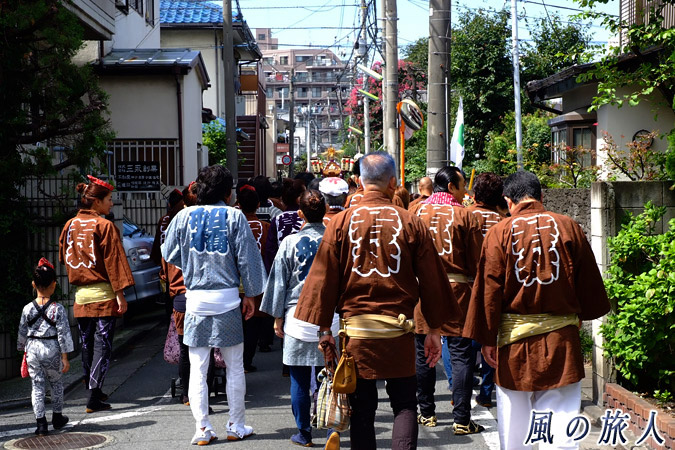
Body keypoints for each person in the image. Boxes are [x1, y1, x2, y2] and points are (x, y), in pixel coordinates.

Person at [295, 152, 461, 450]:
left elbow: (324, 279)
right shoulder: (411, 221)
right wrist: (434, 329)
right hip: (398, 332)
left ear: (358, 182)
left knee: (361, 409)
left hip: (355, 334)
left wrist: (323, 330)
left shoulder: (340, 222)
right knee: (405, 405)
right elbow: (432, 280)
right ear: (393, 181)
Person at [464, 170, 611, 450]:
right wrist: (575, 317)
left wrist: (486, 339)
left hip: (512, 345)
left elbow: (489, 290)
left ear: (508, 201)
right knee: (561, 428)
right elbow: (589, 286)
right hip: (561, 343)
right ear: (542, 196)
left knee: (515, 431)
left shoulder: (499, 233)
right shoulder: (568, 226)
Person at [162, 165, 266, 445]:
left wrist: (192, 263)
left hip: (195, 299)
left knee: (198, 367)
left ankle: (202, 429)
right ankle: (236, 424)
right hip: (228, 299)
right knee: (234, 366)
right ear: (228, 192)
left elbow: (169, 251)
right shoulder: (234, 216)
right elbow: (248, 260)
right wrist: (252, 295)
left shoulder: (184, 216)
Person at [260, 189, 340, 447]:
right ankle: (332, 429)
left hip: (297, 316)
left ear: (301, 214)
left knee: (299, 378)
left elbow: (278, 283)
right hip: (332, 317)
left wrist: (277, 318)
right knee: (333, 375)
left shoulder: (290, 243)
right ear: (325, 210)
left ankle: (304, 433)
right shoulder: (336, 241)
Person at [409, 166, 485, 435]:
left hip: (422, 289)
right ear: (451, 186)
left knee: (423, 350)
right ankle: (462, 419)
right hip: (458, 289)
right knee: (461, 353)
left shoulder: (415, 212)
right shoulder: (466, 215)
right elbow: (477, 261)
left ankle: (426, 413)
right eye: (463, 185)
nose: (466, 190)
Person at [59, 175, 134, 413]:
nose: (111, 204)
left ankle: (94, 390)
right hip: (103, 296)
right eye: (109, 199)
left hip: (80, 297)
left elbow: (64, 257)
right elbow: (114, 263)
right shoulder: (104, 226)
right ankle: (93, 396)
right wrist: (120, 296)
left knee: (87, 345)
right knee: (103, 346)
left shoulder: (69, 225)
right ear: (97, 202)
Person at [464, 172, 508, 407]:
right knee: (492, 337)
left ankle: (461, 385)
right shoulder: (503, 223)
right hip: (495, 289)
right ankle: (486, 391)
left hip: (466, 286)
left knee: (465, 339)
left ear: (474, 194)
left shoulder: (463, 216)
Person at [17, 258, 74, 435]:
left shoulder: (27, 309)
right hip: (52, 349)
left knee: (37, 386)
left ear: (33, 284)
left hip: (33, 349)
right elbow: (63, 333)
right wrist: (65, 357)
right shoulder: (58, 309)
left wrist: (22, 349)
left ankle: (41, 424)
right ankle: (57, 417)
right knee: (56, 384)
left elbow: (21, 332)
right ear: (54, 285)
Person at [237, 185, 270, 373]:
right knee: (253, 322)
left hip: (234, 281)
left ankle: (232, 360)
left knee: (238, 322)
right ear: (258, 204)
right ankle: (246, 361)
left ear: (238, 204)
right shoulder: (265, 227)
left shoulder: (233, 225)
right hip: (258, 281)